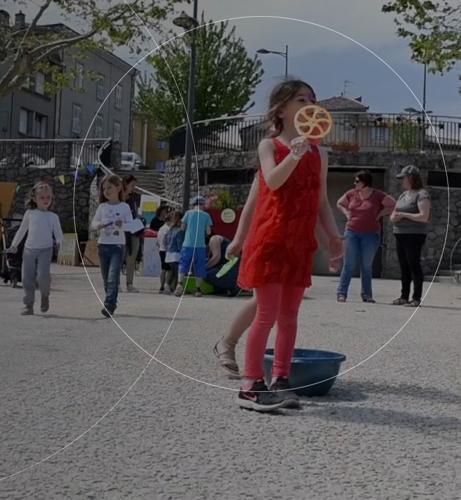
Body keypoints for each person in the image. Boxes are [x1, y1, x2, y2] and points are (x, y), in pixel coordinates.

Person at [234, 79, 343, 412]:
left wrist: (333, 236)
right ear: (281, 110)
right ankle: (251, 384)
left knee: (290, 316)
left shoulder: (319, 153)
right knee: (266, 314)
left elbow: (321, 201)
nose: (310, 105)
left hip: (299, 243)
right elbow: (273, 180)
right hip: (271, 238)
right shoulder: (269, 146)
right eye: (301, 99)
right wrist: (294, 154)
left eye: (313, 99)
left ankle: (281, 380)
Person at [336, 170, 396, 303]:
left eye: (357, 181)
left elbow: (393, 204)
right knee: (349, 264)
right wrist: (347, 213)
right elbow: (339, 203)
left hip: (370, 234)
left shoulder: (378, 195)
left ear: (365, 182)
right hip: (351, 232)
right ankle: (341, 293)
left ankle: (367, 295)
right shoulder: (351, 193)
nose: (355, 183)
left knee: (366, 265)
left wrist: (380, 214)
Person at [9, 182, 63, 315]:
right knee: (27, 278)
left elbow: (58, 233)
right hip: (29, 250)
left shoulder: (53, 217)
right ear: (34, 198)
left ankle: (45, 295)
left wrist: (59, 243)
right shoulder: (29, 213)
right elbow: (22, 230)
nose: (46, 200)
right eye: (42, 197)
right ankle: (28, 305)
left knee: (43, 276)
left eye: (48, 197)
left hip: (46, 250)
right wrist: (14, 245)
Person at [91, 175, 133, 317]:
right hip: (103, 245)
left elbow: (131, 225)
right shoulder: (102, 207)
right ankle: (111, 300)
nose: (106, 191)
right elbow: (94, 223)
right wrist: (99, 225)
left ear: (119, 187)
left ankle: (109, 305)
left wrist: (122, 225)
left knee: (113, 276)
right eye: (104, 188)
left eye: (110, 187)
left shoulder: (125, 207)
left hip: (118, 246)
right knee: (105, 278)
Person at [390, 165, 431, 307]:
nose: (401, 181)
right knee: (404, 266)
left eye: (403, 178)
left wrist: (403, 215)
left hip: (414, 235)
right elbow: (394, 213)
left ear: (411, 178)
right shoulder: (403, 195)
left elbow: (424, 216)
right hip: (400, 234)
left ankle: (416, 298)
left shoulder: (422, 194)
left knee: (413, 264)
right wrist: (394, 217)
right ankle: (404, 296)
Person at [174, 195, 213, 297]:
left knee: (183, 264)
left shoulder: (188, 213)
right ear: (202, 204)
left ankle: (179, 284)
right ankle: (198, 290)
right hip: (200, 246)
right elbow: (208, 232)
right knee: (199, 266)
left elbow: (182, 228)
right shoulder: (206, 215)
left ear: (193, 204)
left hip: (187, 244)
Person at [123, 175, 142, 293]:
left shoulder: (135, 197)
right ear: (126, 184)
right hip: (122, 231)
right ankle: (116, 283)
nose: (134, 188)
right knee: (120, 257)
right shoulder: (119, 197)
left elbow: (136, 212)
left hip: (134, 230)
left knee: (132, 257)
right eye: (132, 185)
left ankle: (129, 283)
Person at [164, 210, 184, 293]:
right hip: (176, 254)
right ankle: (173, 287)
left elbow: (165, 241)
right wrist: (182, 252)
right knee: (176, 273)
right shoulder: (179, 231)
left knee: (170, 271)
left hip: (169, 254)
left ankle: (166, 285)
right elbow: (179, 244)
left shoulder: (170, 229)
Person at [156, 213, 171, 293]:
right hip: (167, 250)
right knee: (168, 269)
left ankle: (161, 286)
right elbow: (167, 241)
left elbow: (157, 242)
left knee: (163, 269)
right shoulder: (168, 229)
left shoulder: (161, 228)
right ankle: (166, 285)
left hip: (161, 250)